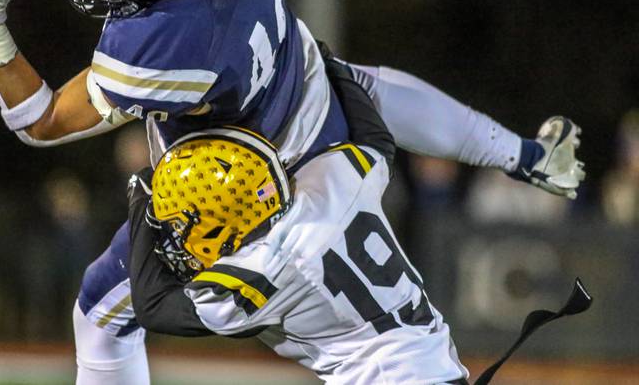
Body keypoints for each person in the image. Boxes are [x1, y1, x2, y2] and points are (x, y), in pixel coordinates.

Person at [0, 0, 585, 382]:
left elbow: (42, 119)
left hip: (248, 192)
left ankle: (521, 154)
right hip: (302, 105)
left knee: (102, 308)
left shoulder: (170, 50)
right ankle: (524, 154)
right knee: (350, 77)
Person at [127, 127, 469, 384]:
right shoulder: (332, 177)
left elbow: (154, 307)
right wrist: (321, 60)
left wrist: (141, 194)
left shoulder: (266, 265)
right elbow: (375, 136)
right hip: (439, 367)